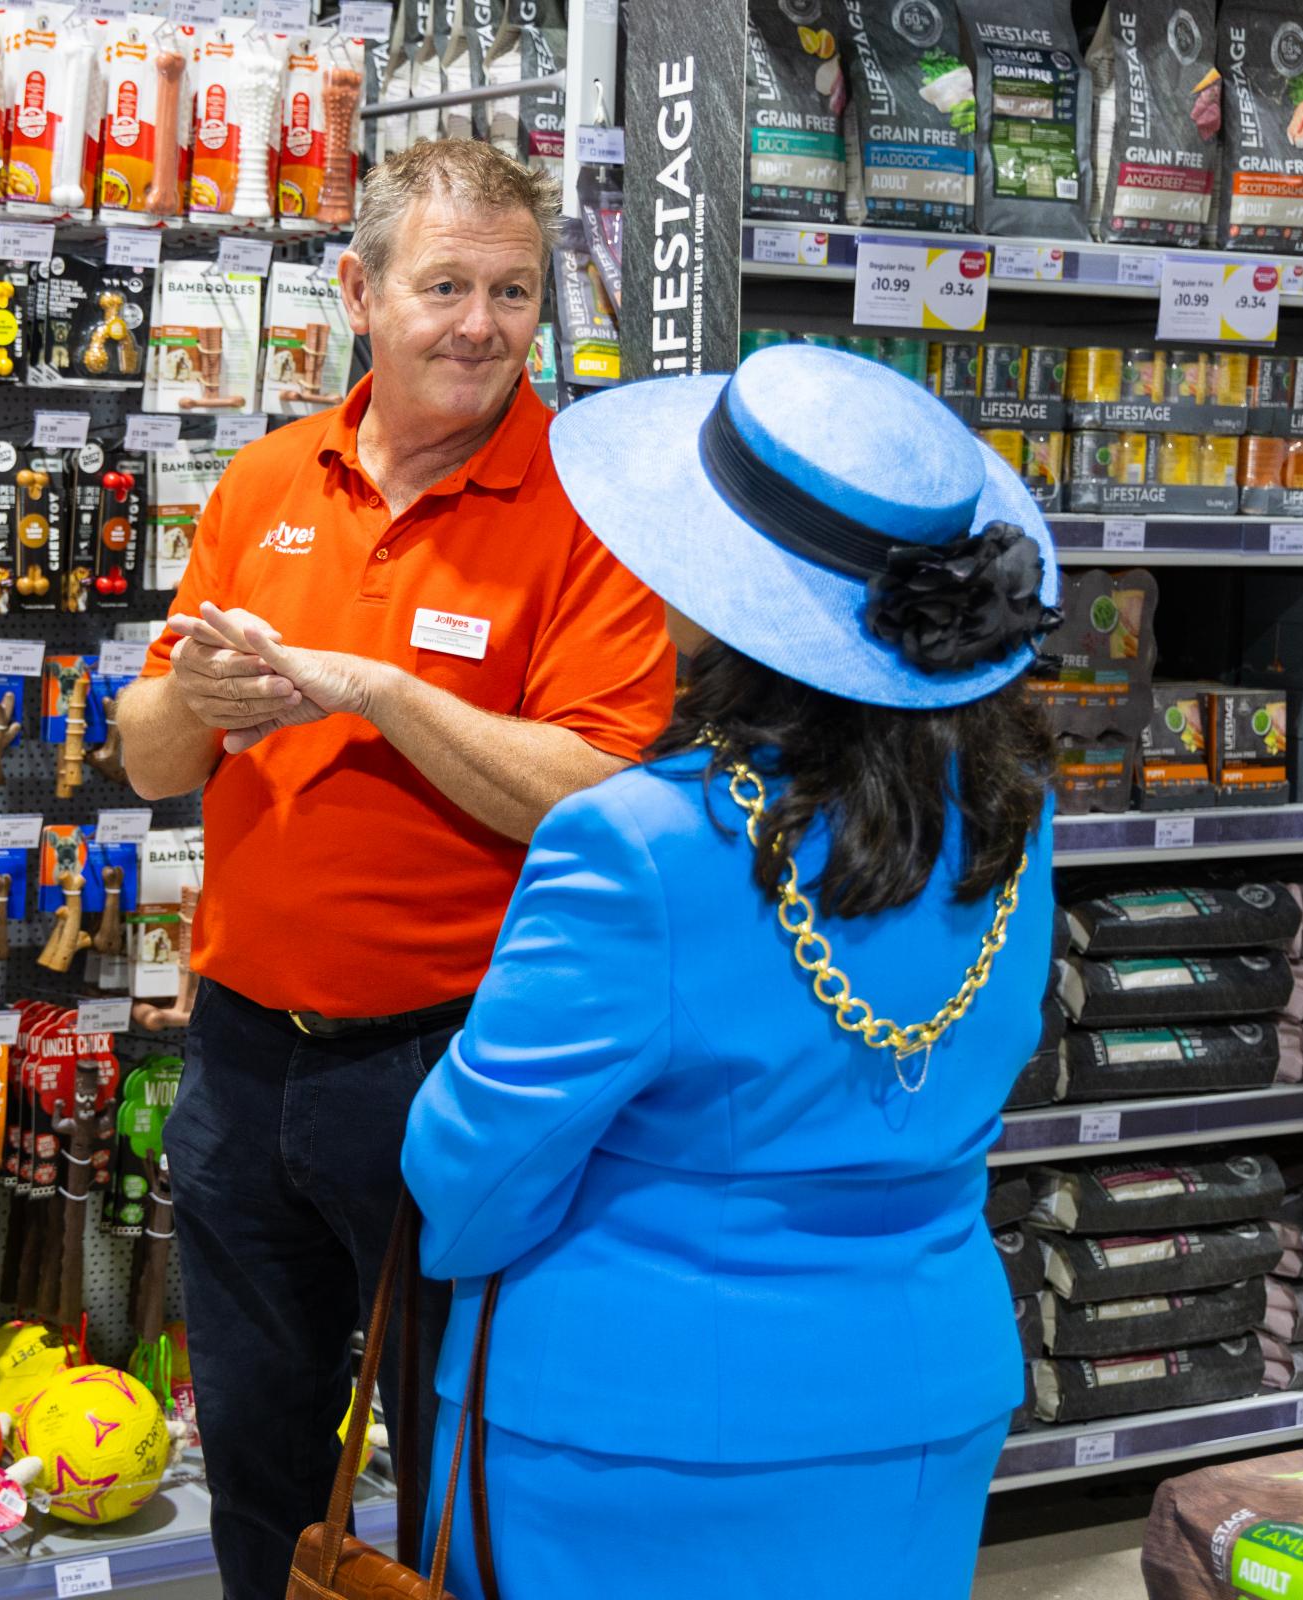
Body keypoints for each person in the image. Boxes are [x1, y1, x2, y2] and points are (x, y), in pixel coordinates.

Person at [401, 343, 1062, 1600]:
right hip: (920, 1397)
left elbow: (470, 1177)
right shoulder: (1013, 825)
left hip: (634, 1432)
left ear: (712, 589)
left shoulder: (641, 842)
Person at [119, 138, 673, 1598]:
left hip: (459, 1070)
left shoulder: (590, 504)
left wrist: (376, 692)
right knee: (254, 1450)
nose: (480, 324)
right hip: (240, 1061)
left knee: (456, 1475)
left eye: (512, 289)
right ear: (359, 293)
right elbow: (150, 760)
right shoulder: (259, 482)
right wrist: (196, 702)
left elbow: (606, 789)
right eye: (444, 286)